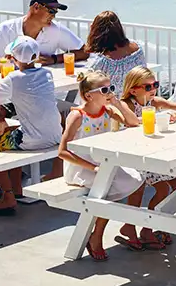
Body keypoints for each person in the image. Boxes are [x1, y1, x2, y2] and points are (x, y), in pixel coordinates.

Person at [59, 70, 146, 260]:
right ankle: (96, 235)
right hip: (81, 168)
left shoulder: (107, 111)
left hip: (103, 164)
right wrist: (92, 168)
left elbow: (133, 123)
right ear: (89, 95)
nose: (110, 93)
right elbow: (62, 151)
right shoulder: (77, 116)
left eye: (111, 88)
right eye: (105, 90)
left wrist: (117, 103)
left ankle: (104, 231)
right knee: (106, 188)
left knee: (137, 179)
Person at [0, 37, 66, 215]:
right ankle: (16, 187)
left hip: (33, 140)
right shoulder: (47, 74)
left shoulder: (13, 78)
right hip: (56, 135)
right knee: (9, 133)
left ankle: (8, 196)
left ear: (12, 57)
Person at [120, 65, 176, 249]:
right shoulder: (127, 105)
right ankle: (138, 227)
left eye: (155, 84)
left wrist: (175, 114)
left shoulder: (154, 102)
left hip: (151, 153)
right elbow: (132, 122)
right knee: (148, 187)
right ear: (133, 90)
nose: (153, 90)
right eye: (148, 87)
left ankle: (153, 225)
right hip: (131, 155)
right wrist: (158, 118)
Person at [85, 10, 147, 94]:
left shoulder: (103, 62)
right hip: (139, 98)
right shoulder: (137, 49)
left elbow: (88, 83)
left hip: (114, 101)